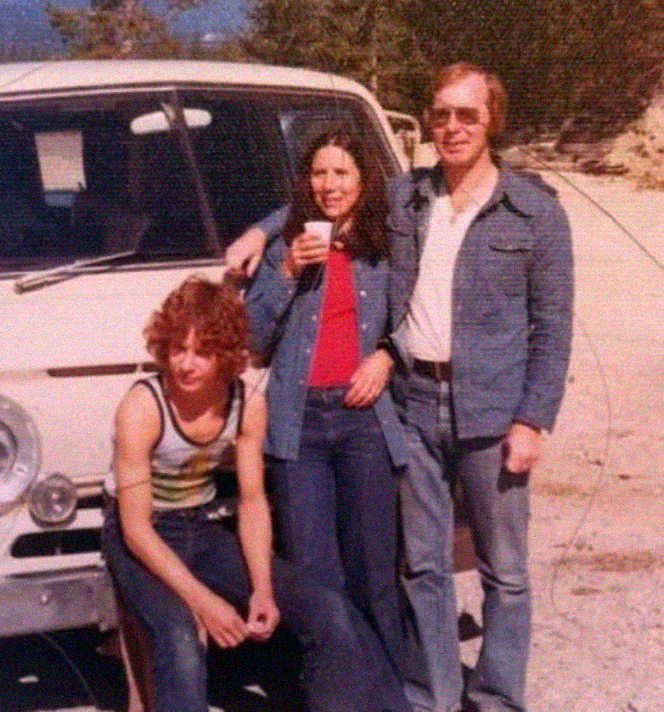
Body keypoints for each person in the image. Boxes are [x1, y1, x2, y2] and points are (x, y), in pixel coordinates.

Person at [226, 63, 574, 712]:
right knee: (421, 565)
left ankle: (496, 697)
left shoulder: (534, 212)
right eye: (441, 114)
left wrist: (534, 417)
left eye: (466, 114)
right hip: (413, 407)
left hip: (494, 413)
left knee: (505, 571)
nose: (451, 127)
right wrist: (262, 232)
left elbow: (553, 327)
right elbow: (322, 194)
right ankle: (429, 695)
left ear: (491, 120)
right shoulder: (409, 195)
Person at [102, 275, 407, 712]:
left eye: (202, 352)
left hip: (201, 528)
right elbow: (135, 530)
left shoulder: (246, 404)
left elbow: (251, 502)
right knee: (181, 638)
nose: (186, 364)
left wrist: (262, 589)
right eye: (177, 349)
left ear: (226, 356)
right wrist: (205, 602)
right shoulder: (142, 406)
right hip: (141, 538)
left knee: (326, 611)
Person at [243, 127, 410, 706]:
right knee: (316, 582)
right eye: (319, 173)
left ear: (364, 179)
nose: (330, 184)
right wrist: (284, 270)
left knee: (373, 576)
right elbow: (252, 337)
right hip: (300, 426)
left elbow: (415, 315)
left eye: (342, 172)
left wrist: (388, 357)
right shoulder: (285, 245)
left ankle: (389, 698)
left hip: (363, 420)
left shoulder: (387, 243)